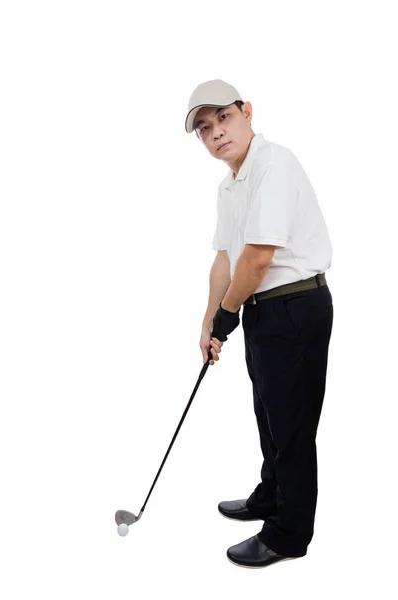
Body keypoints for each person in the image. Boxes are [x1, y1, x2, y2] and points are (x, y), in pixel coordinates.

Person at [185, 79, 334, 569]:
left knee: (291, 425)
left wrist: (227, 316)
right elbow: (225, 261)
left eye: (223, 118)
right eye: (205, 128)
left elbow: (258, 258)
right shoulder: (231, 185)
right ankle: (271, 496)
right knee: (268, 414)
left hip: (295, 307)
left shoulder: (273, 164)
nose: (216, 133)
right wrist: (210, 322)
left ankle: (288, 534)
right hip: (262, 310)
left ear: (247, 111)